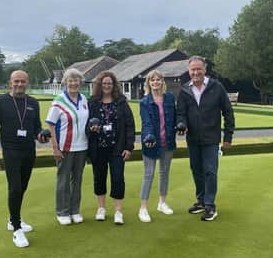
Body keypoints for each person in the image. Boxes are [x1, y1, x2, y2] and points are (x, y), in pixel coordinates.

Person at [0, 70, 48, 248]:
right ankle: (16, 229)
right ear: (10, 83)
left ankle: (14, 218)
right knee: (14, 188)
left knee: (22, 187)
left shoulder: (33, 103)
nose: (19, 84)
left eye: (23, 81)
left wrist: (40, 136)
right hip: (11, 151)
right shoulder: (0, 102)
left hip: (29, 150)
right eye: (16, 81)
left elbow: (36, 126)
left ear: (27, 83)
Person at [176, 56, 235, 221]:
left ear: (205, 70)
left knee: (210, 171)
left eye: (198, 69)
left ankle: (210, 205)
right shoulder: (184, 90)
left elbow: (228, 112)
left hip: (211, 138)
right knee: (196, 170)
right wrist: (182, 124)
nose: (195, 72)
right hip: (192, 138)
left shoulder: (217, 87)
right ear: (189, 71)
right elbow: (180, 113)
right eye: (193, 70)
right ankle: (201, 201)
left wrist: (228, 136)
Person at [87, 71, 135, 225]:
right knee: (99, 178)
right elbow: (84, 125)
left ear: (114, 85)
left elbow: (130, 126)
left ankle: (118, 211)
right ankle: (101, 209)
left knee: (118, 178)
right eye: (104, 83)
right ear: (99, 85)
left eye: (109, 83)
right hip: (98, 148)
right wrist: (91, 129)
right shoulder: (92, 103)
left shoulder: (121, 102)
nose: (107, 86)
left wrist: (129, 147)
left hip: (117, 148)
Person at [45, 68, 90, 226]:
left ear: (80, 82)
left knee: (77, 180)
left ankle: (75, 210)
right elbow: (51, 125)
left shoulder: (84, 99)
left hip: (82, 146)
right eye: (70, 80)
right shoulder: (59, 100)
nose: (73, 83)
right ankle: (62, 212)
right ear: (65, 82)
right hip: (64, 147)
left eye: (76, 80)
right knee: (63, 181)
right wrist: (55, 147)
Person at [138, 70, 177, 223]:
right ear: (148, 83)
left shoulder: (169, 98)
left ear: (162, 82)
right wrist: (149, 136)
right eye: (152, 80)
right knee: (149, 174)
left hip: (167, 141)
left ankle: (162, 203)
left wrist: (180, 126)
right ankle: (143, 208)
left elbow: (175, 117)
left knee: (164, 172)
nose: (155, 82)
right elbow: (146, 122)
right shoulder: (144, 102)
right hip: (150, 142)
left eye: (158, 79)